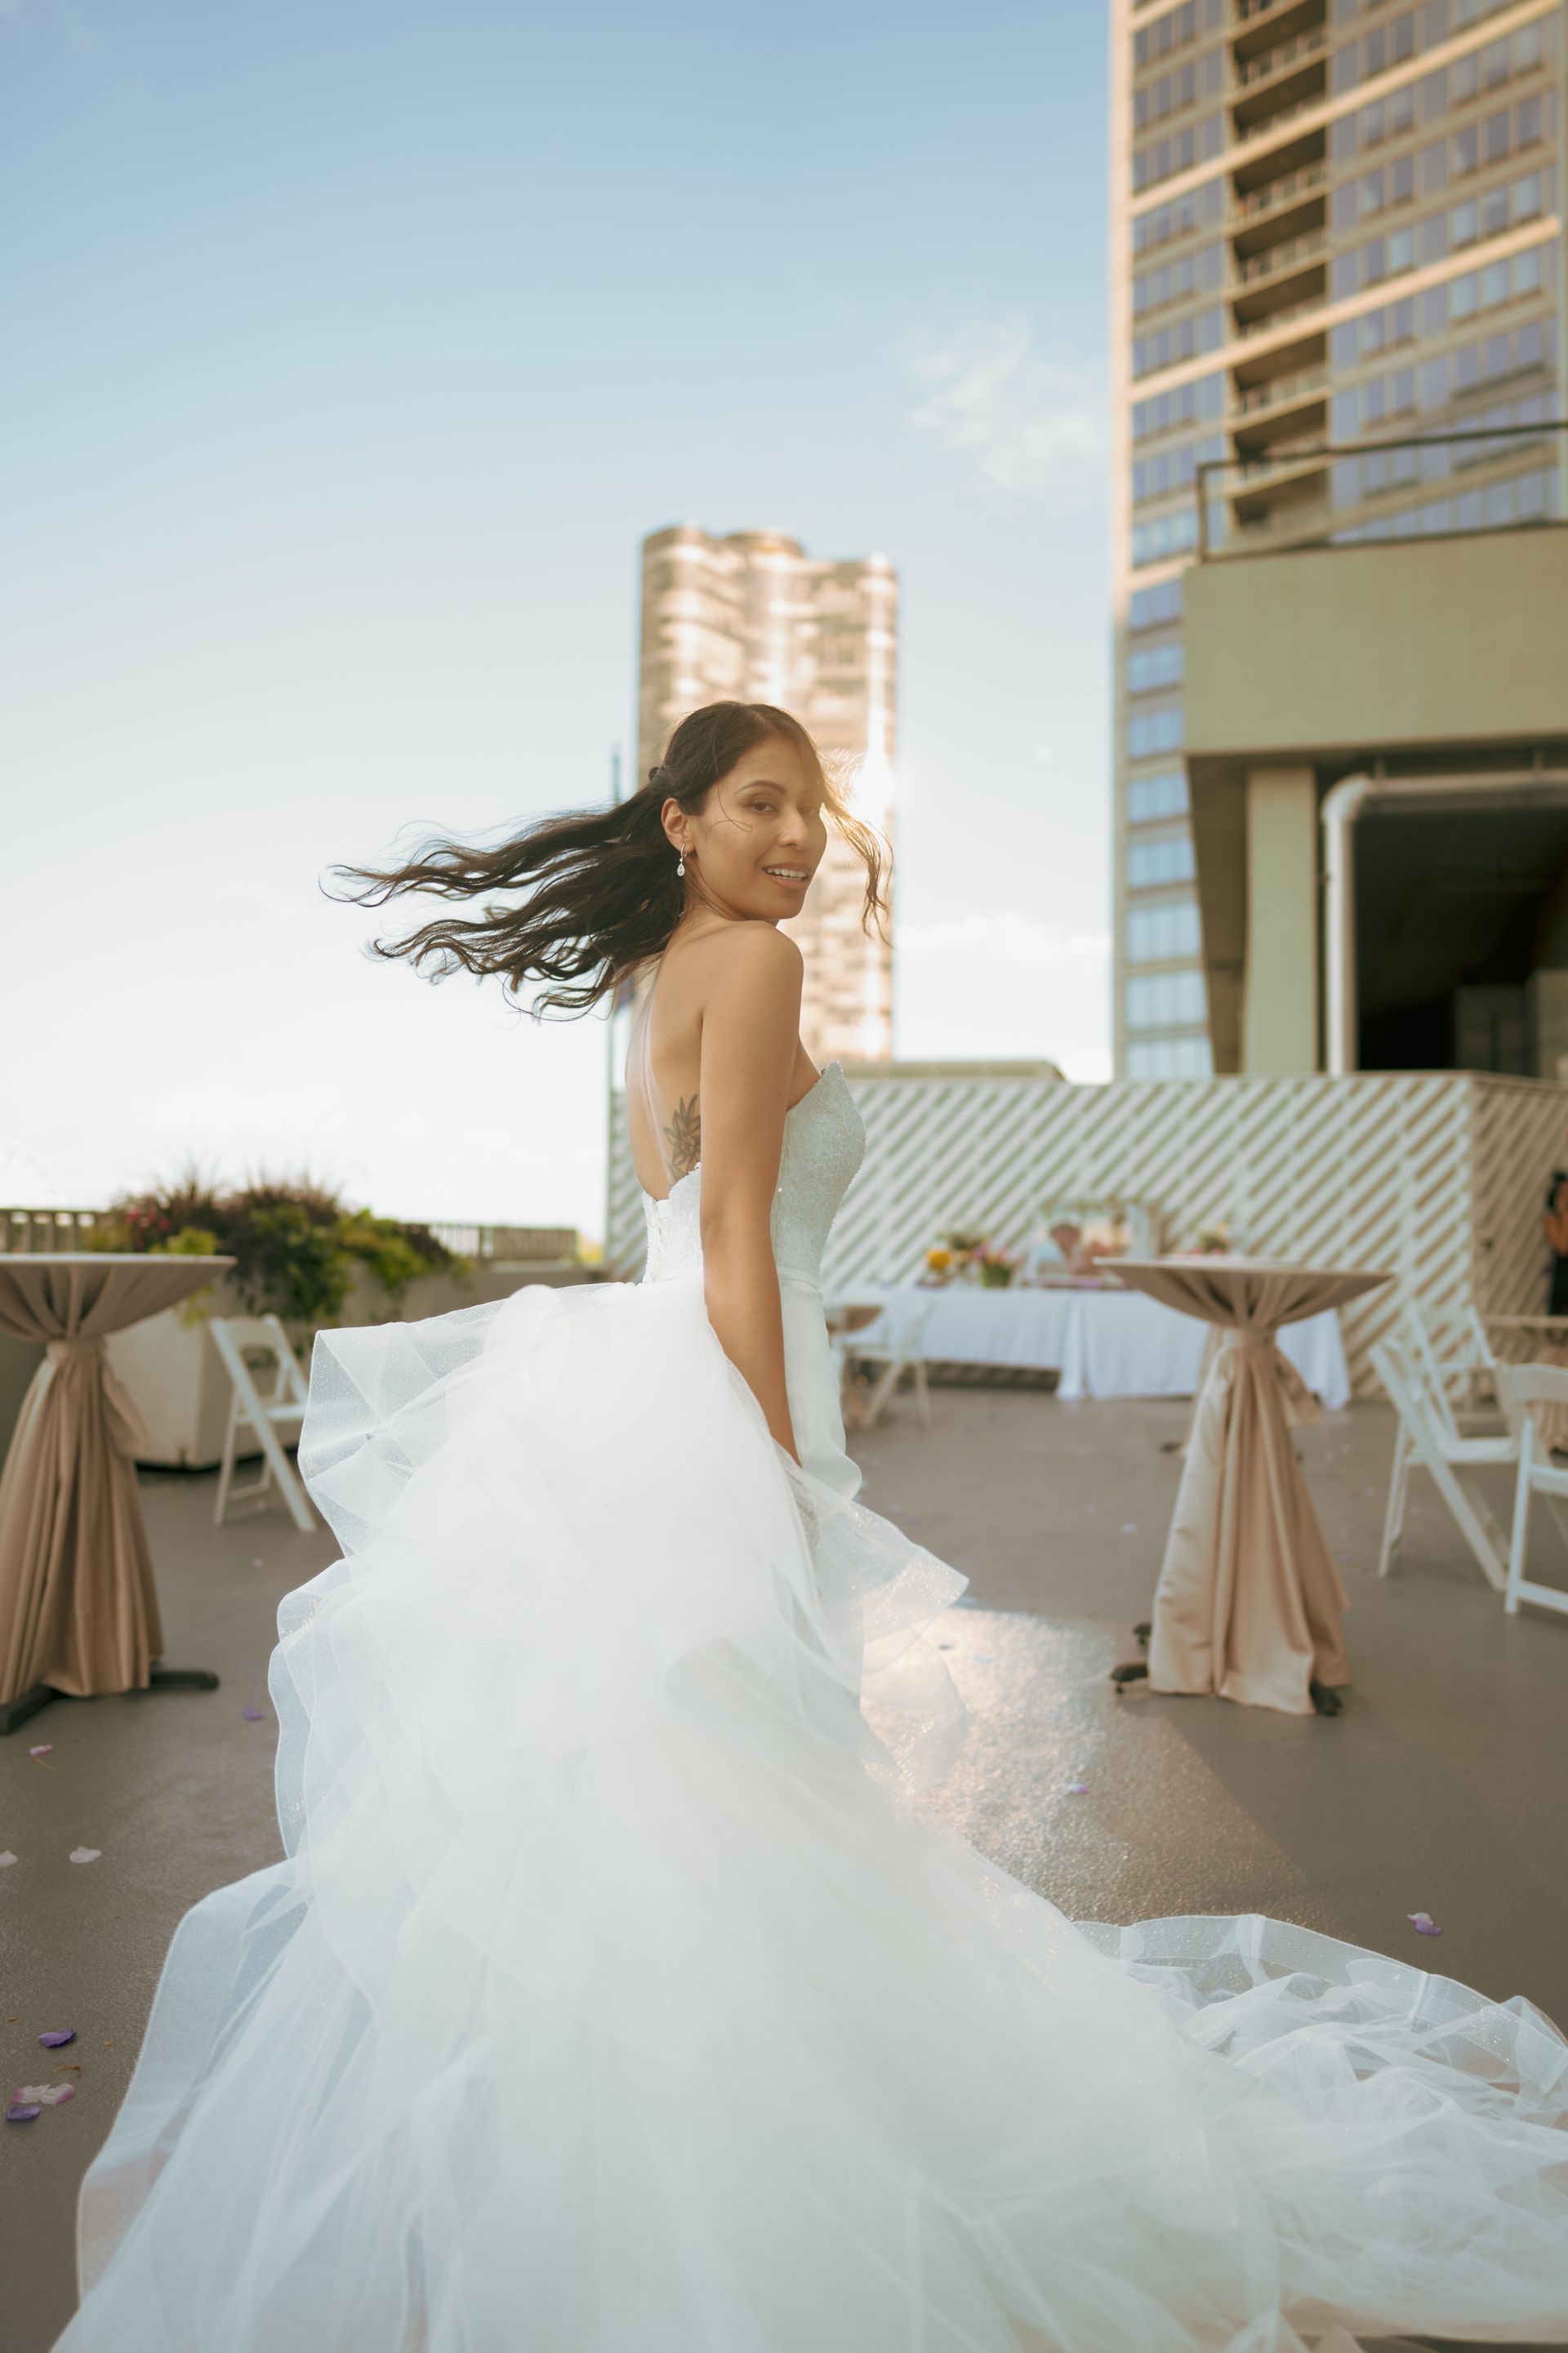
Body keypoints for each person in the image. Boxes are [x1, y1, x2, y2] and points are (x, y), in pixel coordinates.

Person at [58, 702, 1568, 2352]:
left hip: (642, 1384)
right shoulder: (759, 971)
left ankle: (657, 2133)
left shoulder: (658, 980)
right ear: (682, 820)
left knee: (686, 1785)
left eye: (816, 807)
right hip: (709, 1385)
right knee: (745, 1770)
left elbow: (693, 1216)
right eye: (763, 801)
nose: (800, 834)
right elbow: (726, 1233)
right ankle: (758, 2142)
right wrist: (769, 1457)